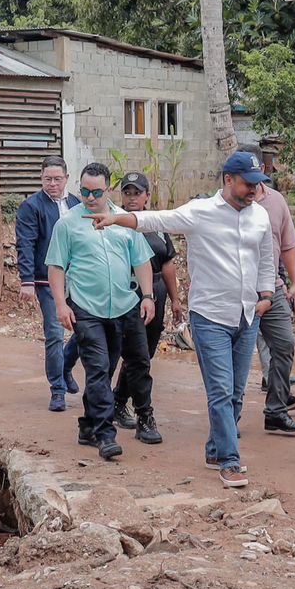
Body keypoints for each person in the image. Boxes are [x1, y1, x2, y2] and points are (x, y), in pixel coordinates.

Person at [90, 151, 275, 489]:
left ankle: (216, 450)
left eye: (258, 184)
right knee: (220, 391)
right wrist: (118, 219)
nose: (254, 190)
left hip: (248, 316)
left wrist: (266, 296)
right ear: (229, 180)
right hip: (211, 317)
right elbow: (156, 220)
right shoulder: (200, 213)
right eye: (249, 184)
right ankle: (230, 462)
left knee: (235, 393)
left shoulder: (260, 216)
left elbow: (265, 257)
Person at [45, 164, 155, 461]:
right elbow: (55, 266)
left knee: (136, 363)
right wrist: (60, 304)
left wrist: (147, 296)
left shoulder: (121, 221)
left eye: (96, 192)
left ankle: (88, 425)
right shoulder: (67, 224)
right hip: (87, 307)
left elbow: (141, 261)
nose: (90, 198)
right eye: (84, 191)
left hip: (124, 305)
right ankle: (105, 434)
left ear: (108, 189)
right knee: (97, 370)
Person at [240, 148, 295, 438]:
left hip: (273, 286)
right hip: (236, 289)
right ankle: (228, 419)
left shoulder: (276, 201)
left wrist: (294, 283)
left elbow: (288, 245)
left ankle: (276, 410)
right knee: (235, 355)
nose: (252, 185)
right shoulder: (222, 204)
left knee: (284, 345)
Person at [112, 171, 179, 444]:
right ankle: (135, 412)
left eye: (136, 193)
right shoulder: (115, 222)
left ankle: (118, 401)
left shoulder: (157, 224)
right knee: (136, 354)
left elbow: (168, 264)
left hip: (156, 292)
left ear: (147, 196)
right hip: (128, 294)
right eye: (127, 193)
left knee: (145, 354)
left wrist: (175, 300)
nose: (131, 198)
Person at [15, 155, 81, 412]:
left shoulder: (77, 204)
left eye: (57, 179)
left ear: (66, 178)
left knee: (83, 330)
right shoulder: (32, 206)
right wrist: (27, 280)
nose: (52, 184)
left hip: (78, 279)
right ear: (41, 179)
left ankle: (64, 366)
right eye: (47, 179)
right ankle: (58, 390)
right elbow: (26, 244)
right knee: (54, 333)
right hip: (45, 279)